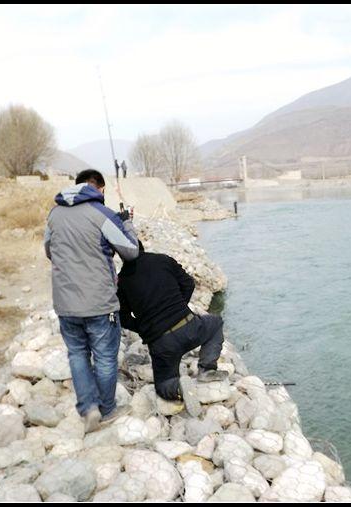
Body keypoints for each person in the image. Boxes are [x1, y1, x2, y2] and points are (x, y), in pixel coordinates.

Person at [44, 169, 139, 432]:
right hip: (99, 303)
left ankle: (88, 409)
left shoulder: (54, 214)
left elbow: (49, 250)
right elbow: (131, 252)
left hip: (65, 303)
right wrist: (126, 222)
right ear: (100, 189)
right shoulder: (102, 214)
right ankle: (106, 410)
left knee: (77, 353)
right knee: (105, 357)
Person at [116, 241, 227, 417]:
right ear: (143, 247)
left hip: (162, 343)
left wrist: (147, 329)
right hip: (189, 327)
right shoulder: (163, 260)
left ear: (121, 255)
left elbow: (123, 318)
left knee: (163, 384)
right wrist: (180, 308)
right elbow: (188, 284)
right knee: (215, 324)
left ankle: (178, 386)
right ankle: (207, 369)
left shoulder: (121, 282)